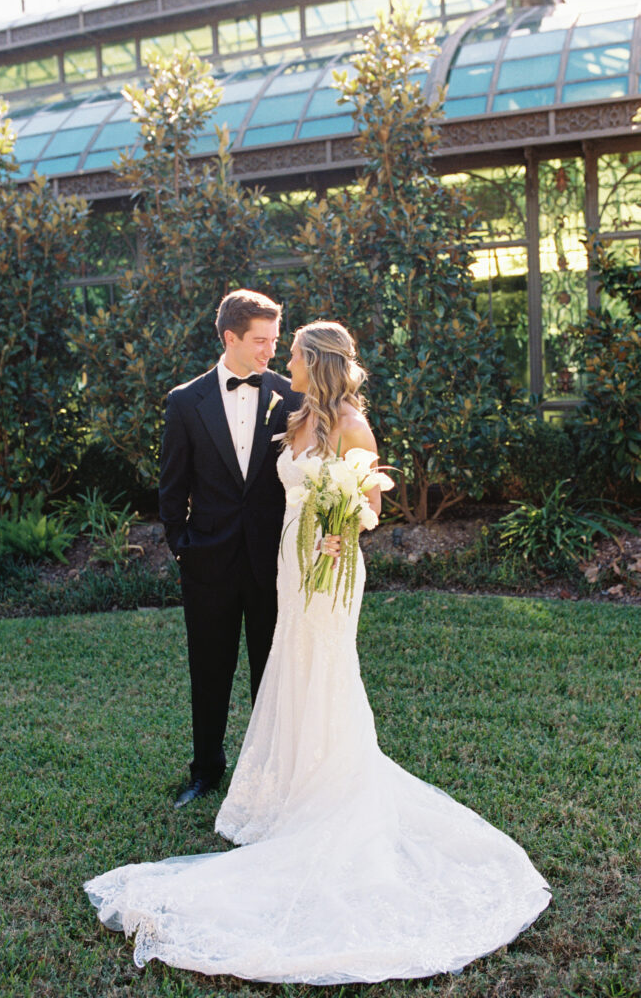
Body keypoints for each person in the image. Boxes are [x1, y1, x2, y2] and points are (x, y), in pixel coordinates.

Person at [85, 321, 551, 984]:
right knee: (292, 670)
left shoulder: (354, 425)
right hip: (286, 565)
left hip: (328, 572)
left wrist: (344, 529)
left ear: (316, 362)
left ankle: (329, 789)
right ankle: (288, 787)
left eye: (294, 354)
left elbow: (369, 506)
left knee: (326, 672)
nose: (284, 361)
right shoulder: (296, 413)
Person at [158, 288, 302, 807]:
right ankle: (205, 772)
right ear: (230, 338)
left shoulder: (294, 396)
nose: (270, 350)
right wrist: (183, 548)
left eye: (274, 339)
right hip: (208, 562)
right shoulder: (184, 401)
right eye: (260, 340)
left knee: (272, 672)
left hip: (274, 562)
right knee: (210, 670)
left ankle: (270, 774)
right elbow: (172, 487)